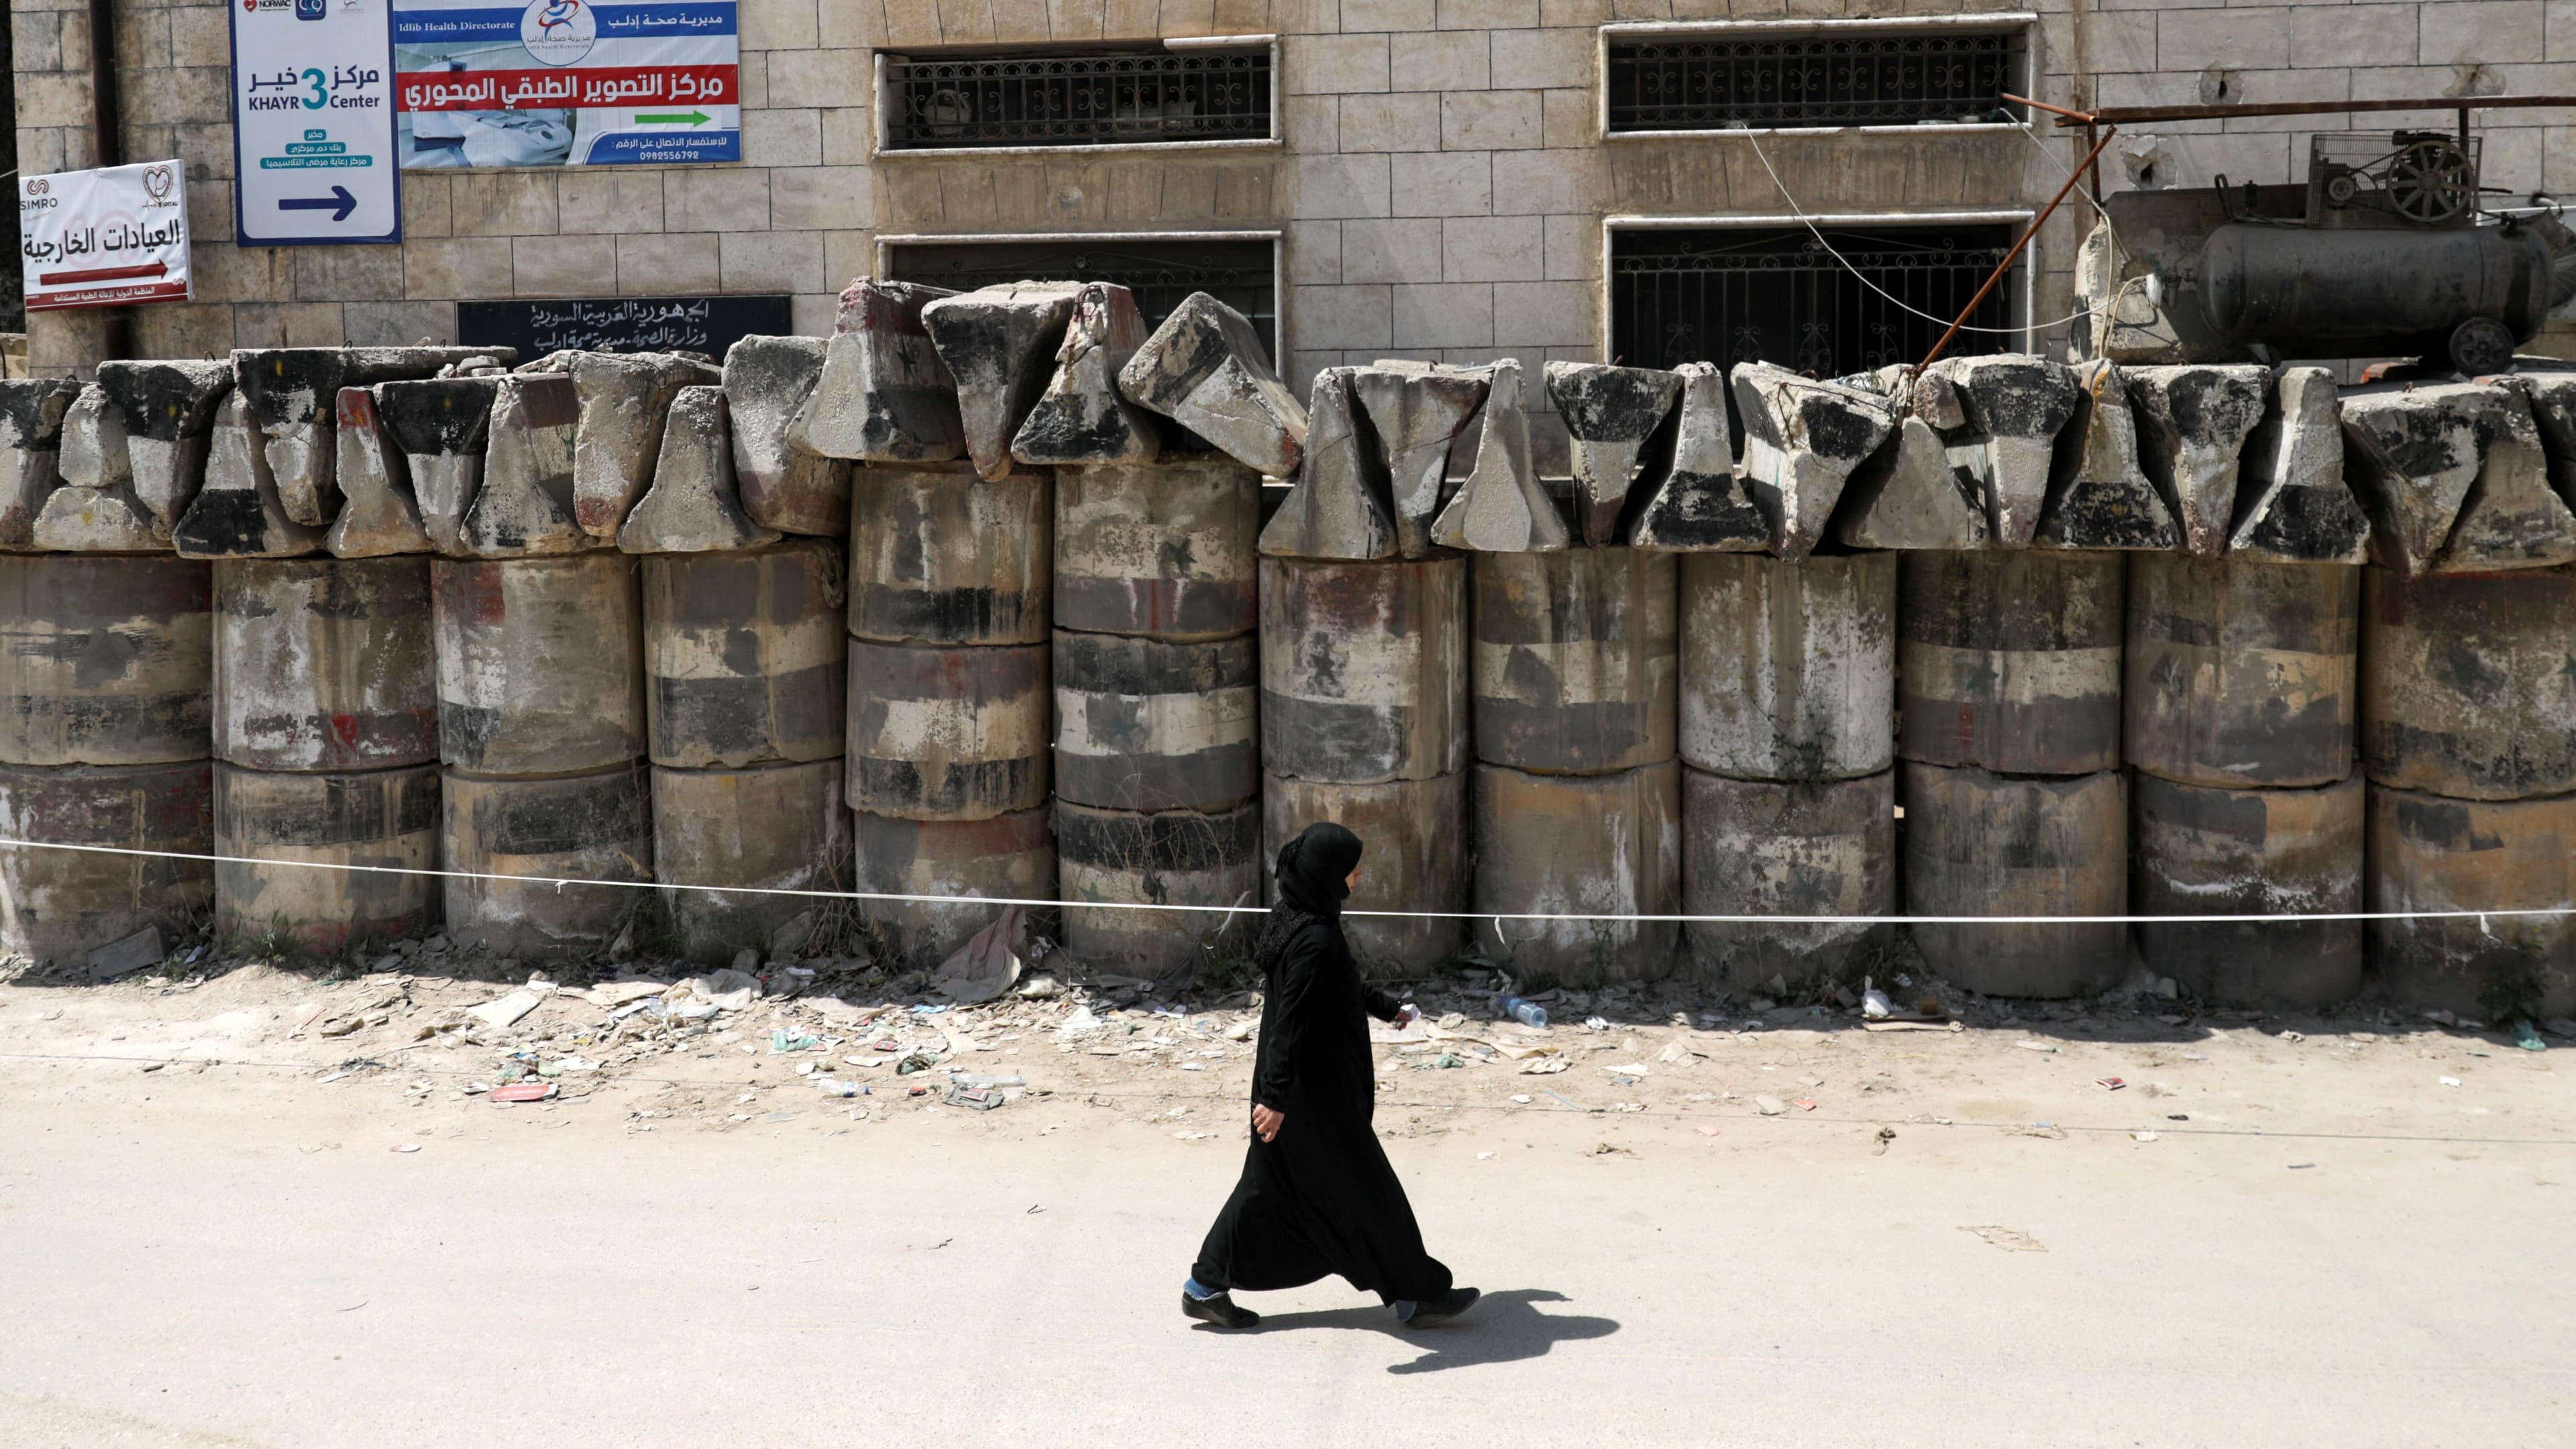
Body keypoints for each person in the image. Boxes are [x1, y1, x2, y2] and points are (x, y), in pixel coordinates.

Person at [1182, 821, 1479, 1331]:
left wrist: (1388, 1009)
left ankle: (1205, 1285)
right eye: (1351, 871)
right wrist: (1276, 1098)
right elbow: (1292, 1019)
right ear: (1327, 875)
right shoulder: (1315, 937)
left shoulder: (1295, 917)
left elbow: (1336, 989)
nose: (1357, 879)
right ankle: (1418, 1293)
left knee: (1264, 1188)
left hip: (1290, 1091)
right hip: (1309, 1098)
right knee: (1371, 1190)